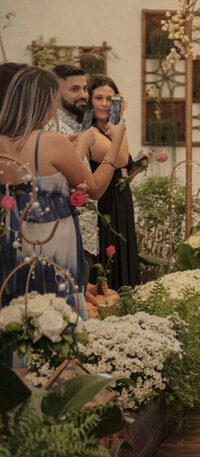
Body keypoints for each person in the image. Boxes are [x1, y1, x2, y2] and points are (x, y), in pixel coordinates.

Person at [0, 67, 125, 319]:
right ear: (42, 102)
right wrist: (115, 143)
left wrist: (76, 148)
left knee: (18, 305)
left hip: (14, 236)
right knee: (58, 308)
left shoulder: (3, 140)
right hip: (53, 238)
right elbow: (94, 189)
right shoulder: (51, 140)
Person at [44, 65, 102, 292]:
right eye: (75, 89)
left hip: (81, 231)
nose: (83, 95)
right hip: (68, 231)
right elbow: (66, 180)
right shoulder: (55, 127)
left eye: (85, 89)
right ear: (56, 93)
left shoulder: (74, 125)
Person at [87, 75, 141, 290]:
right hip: (103, 203)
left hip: (120, 201)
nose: (104, 104)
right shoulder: (90, 132)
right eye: (98, 98)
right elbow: (119, 158)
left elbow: (123, 166)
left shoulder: (110, 131)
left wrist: (136, 166)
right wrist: (119, 118)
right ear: (89, 101)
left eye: (110, 99)